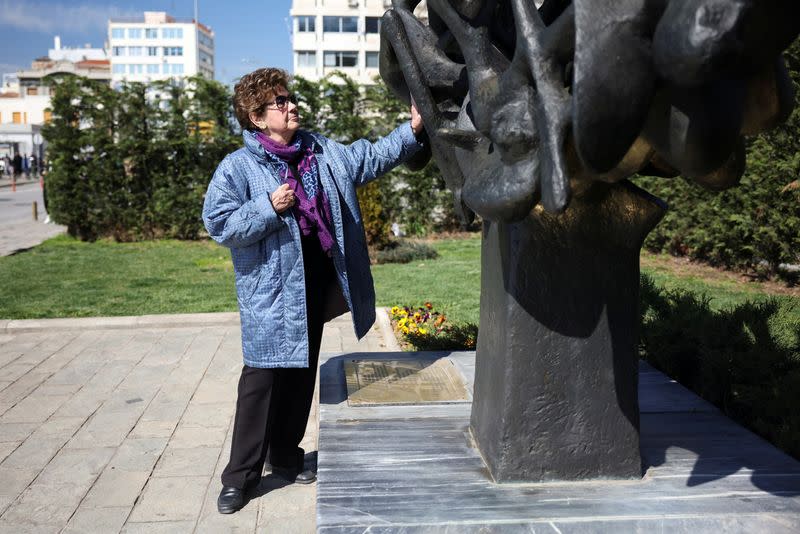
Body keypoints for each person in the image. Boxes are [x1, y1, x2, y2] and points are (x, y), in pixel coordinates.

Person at [202, 67, 424, 514]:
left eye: (289, 98)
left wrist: (412, 129)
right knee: (261, 381)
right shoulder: (239, 167)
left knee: (301, 374)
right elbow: (219, 223)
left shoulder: (320, 151)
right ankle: (239, 477)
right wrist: (267, 207)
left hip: (314, 282)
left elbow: (368, 157)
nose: (291, 106)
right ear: (257, 117)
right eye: (279, 102)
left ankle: (284, 455)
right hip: (270, 291)